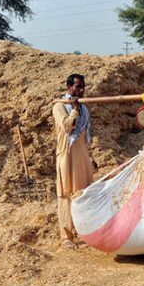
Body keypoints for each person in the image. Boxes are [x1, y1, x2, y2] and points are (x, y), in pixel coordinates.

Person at [52, 74, 97, 247]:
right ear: (69, 87)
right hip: (66, 154)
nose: (81, 90)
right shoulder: (59, 106)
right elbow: (66, 127)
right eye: (78, 87)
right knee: (66, 193)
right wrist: (75, 110)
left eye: (83, 86)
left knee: (83, 193)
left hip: (82, 155)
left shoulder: (84, 108)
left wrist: (90, 156)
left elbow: (86, 135)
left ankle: (83, 231)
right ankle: (66, 237)